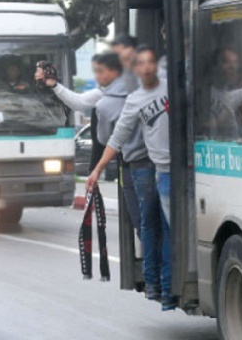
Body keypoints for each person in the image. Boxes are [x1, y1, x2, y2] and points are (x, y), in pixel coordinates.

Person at [85, 44, 176, 311]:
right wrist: (98, 168)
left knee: (168, 228)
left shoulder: (173, 88)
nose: (147, 68)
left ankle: (168, 287)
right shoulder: (134, 100)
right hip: (149, 169)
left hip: (171, 170)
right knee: (149, 225)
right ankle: (153, 283)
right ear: (136, 70)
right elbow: (116, 137)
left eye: (151, 63)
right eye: (141, 64)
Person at [35, 53, 147, 233]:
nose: (97, 76)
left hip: (141, 162)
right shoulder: (105, 93)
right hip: (129, 162)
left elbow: (104, 138)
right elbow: (79, 102)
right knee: (143, 222)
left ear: (114, 72)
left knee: (144, 222)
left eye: (100, 71)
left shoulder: (117, 98)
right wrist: (54, 85)